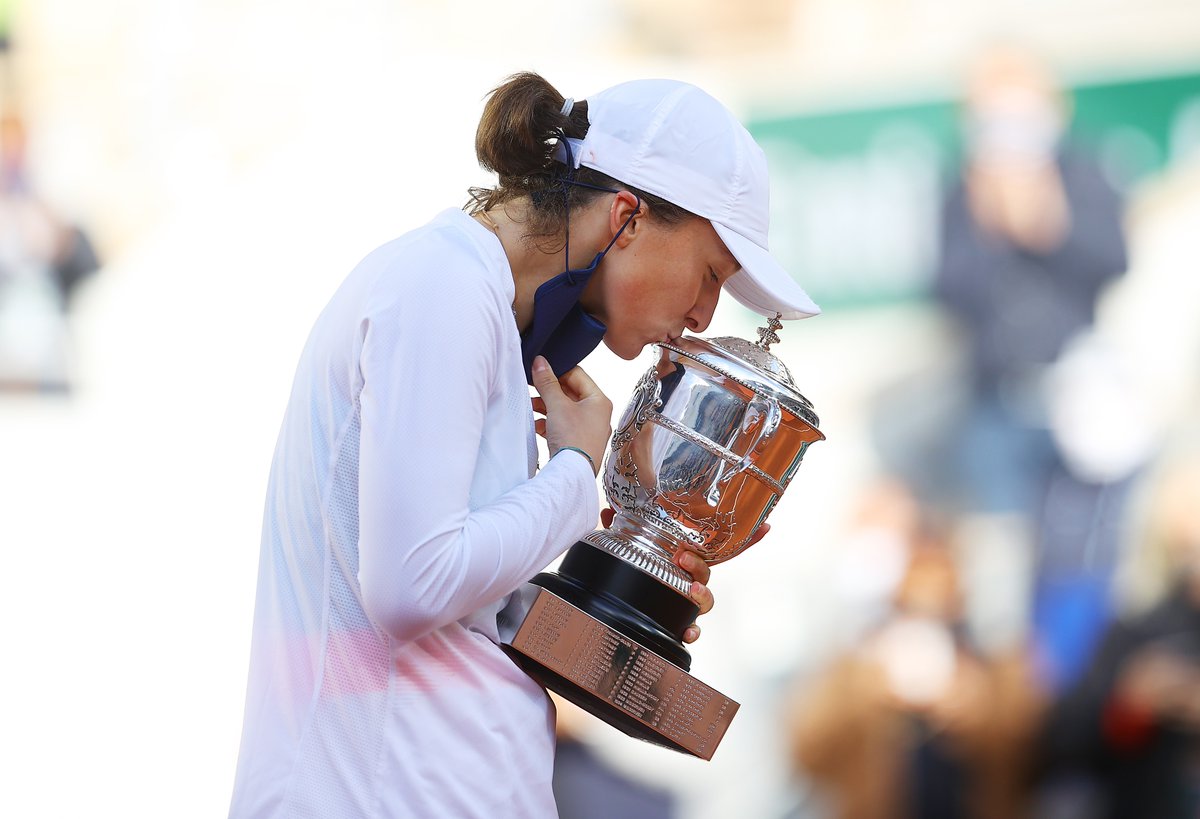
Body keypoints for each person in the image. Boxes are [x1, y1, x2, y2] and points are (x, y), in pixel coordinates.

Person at [228, 72, 820, 818]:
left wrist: (633, 593)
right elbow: (411, 588)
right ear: (627, 218)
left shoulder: (478, 301)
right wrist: (575, 473)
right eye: (708, 275)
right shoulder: (442, 283)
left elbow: (460, 613)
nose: (704, 315)